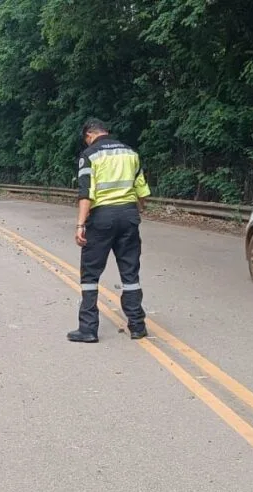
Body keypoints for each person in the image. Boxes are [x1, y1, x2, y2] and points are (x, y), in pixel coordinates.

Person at [67, 118, 151, 343]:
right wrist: (137, 210)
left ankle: (88, 329)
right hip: (128, 215)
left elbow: (86, 193)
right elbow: (142, 191)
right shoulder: (130, 153)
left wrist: (80, 225)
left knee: (90, 274)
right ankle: (137, 325)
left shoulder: (90, 155)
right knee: (130, 273)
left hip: (102, 218)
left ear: (89, 135)